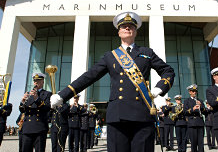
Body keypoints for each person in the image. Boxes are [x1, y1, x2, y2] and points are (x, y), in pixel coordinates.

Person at [51, 11, 175, 152]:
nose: (127, 28)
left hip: (142, 114)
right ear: (119, 32)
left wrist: (160, 88)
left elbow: (168, 71)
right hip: (118, 116)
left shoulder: (147, 52)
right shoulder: (110, 56)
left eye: (131, 26)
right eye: (124, 27)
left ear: (135, 31)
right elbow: (89, 76)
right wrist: (63, 95)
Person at [19, 73, 52, 152]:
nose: (36, 83)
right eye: (34, 81)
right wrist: (22, 102)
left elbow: (47, 108)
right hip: (27, 128)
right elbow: (22, 111)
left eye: (38, 81)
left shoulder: (47, 94)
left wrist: (37, 98)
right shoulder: (29, 95)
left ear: (43, 82)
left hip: (39, 127)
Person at [184, 84, 205, 152]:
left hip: (200, 123)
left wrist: (201, 106)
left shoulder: (200, 100)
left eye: (195, 91)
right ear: (189, 92)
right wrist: (192, 109)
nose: (194, 92)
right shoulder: (187, 101)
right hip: (192, 123)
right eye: (193, 91)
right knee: (193, 143)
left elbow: (205, 111)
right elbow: (185, 112)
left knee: (201, 143)